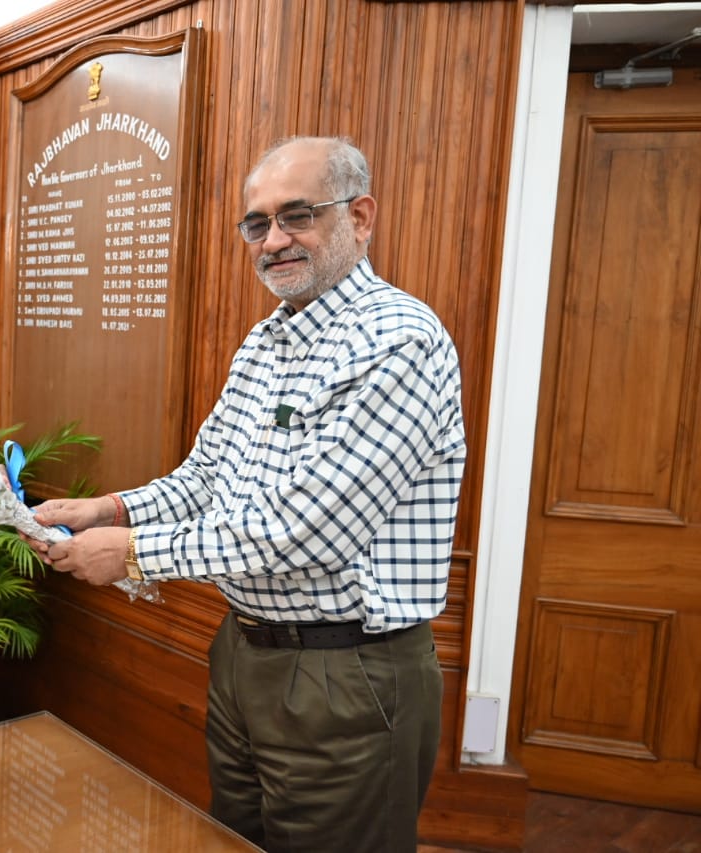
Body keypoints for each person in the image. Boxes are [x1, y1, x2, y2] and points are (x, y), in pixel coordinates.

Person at [28, 136, 466, 852]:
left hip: (347, 673)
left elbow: (309, 531)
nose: (274, 240)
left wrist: (133, 552)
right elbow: (205, 478)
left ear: (361, 216)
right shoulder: (265, 341)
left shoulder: (398, 340)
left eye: (297, 215)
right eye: (256, 224)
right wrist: (108, 510)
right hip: (243, 654)